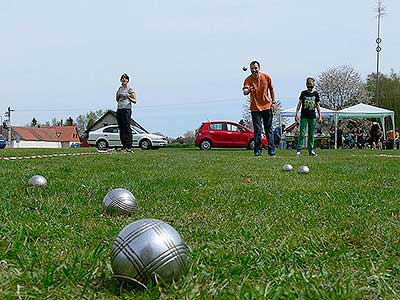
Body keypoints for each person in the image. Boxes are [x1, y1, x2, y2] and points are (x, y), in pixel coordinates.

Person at [242, 61, 276, 157]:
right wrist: (248, 90)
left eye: (255, 68)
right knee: (257, 130)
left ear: (259, 68)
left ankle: (271, 151)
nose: (254, 70)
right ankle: (257, 152)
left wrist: (273, 102)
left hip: (267, 106)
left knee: (268, 129)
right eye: (252, 68)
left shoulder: (266, 77)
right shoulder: (248, 80)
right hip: (255, 108)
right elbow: (245, 92)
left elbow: (272, 89)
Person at [295, 77, 322, 156]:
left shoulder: (315, 94)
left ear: (314, 85)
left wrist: (320, 116)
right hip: (304, 116)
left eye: (311, 86)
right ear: (306, 85)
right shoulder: (303, 93)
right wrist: (296, 113)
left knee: (311, 134)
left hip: (312, 117)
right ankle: (299, 150)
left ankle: (311, 150)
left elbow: (317, 105)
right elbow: (299, 104)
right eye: (308, 86)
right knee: (302, 133)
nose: (310, 88)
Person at [115, 73, 136, 152]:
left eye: (125, 78)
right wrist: (117, 95)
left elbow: (135, 100)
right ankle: (124, 145)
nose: (124, 80)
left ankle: (128, 146)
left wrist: (128, 97)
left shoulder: (130, 88)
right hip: (119, 109)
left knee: (127, 127)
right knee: (121, 127)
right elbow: (117, 99)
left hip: (126, 109)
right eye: (122, 78)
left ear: (127, 80)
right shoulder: (120, 88)